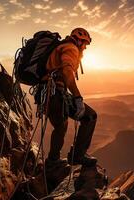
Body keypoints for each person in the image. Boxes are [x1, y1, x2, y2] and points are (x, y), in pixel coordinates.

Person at [44, 28, 97, 167]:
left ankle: (52, 161)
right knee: (90, 116)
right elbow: (67, 71)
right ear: (79, 40)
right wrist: (78, 98)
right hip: (55, 93)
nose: (85, 48)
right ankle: (77, 156)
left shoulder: (62, 46)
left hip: (48, 93)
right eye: (84, 44)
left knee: (61, 126)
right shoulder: (71, 48)